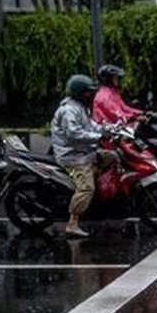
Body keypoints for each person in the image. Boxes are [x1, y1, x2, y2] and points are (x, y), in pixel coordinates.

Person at [50, 74, 108, 238]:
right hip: (73, 156)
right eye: (89, 92)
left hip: (84, 152)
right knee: (86, 188)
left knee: (112, 156)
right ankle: (72, 223)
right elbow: (74, 134)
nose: (93, 95)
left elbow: (91, 126)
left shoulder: (80, 106)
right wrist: (99, 137)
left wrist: (108, 129)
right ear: (80, 93)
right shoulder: (69, 110)